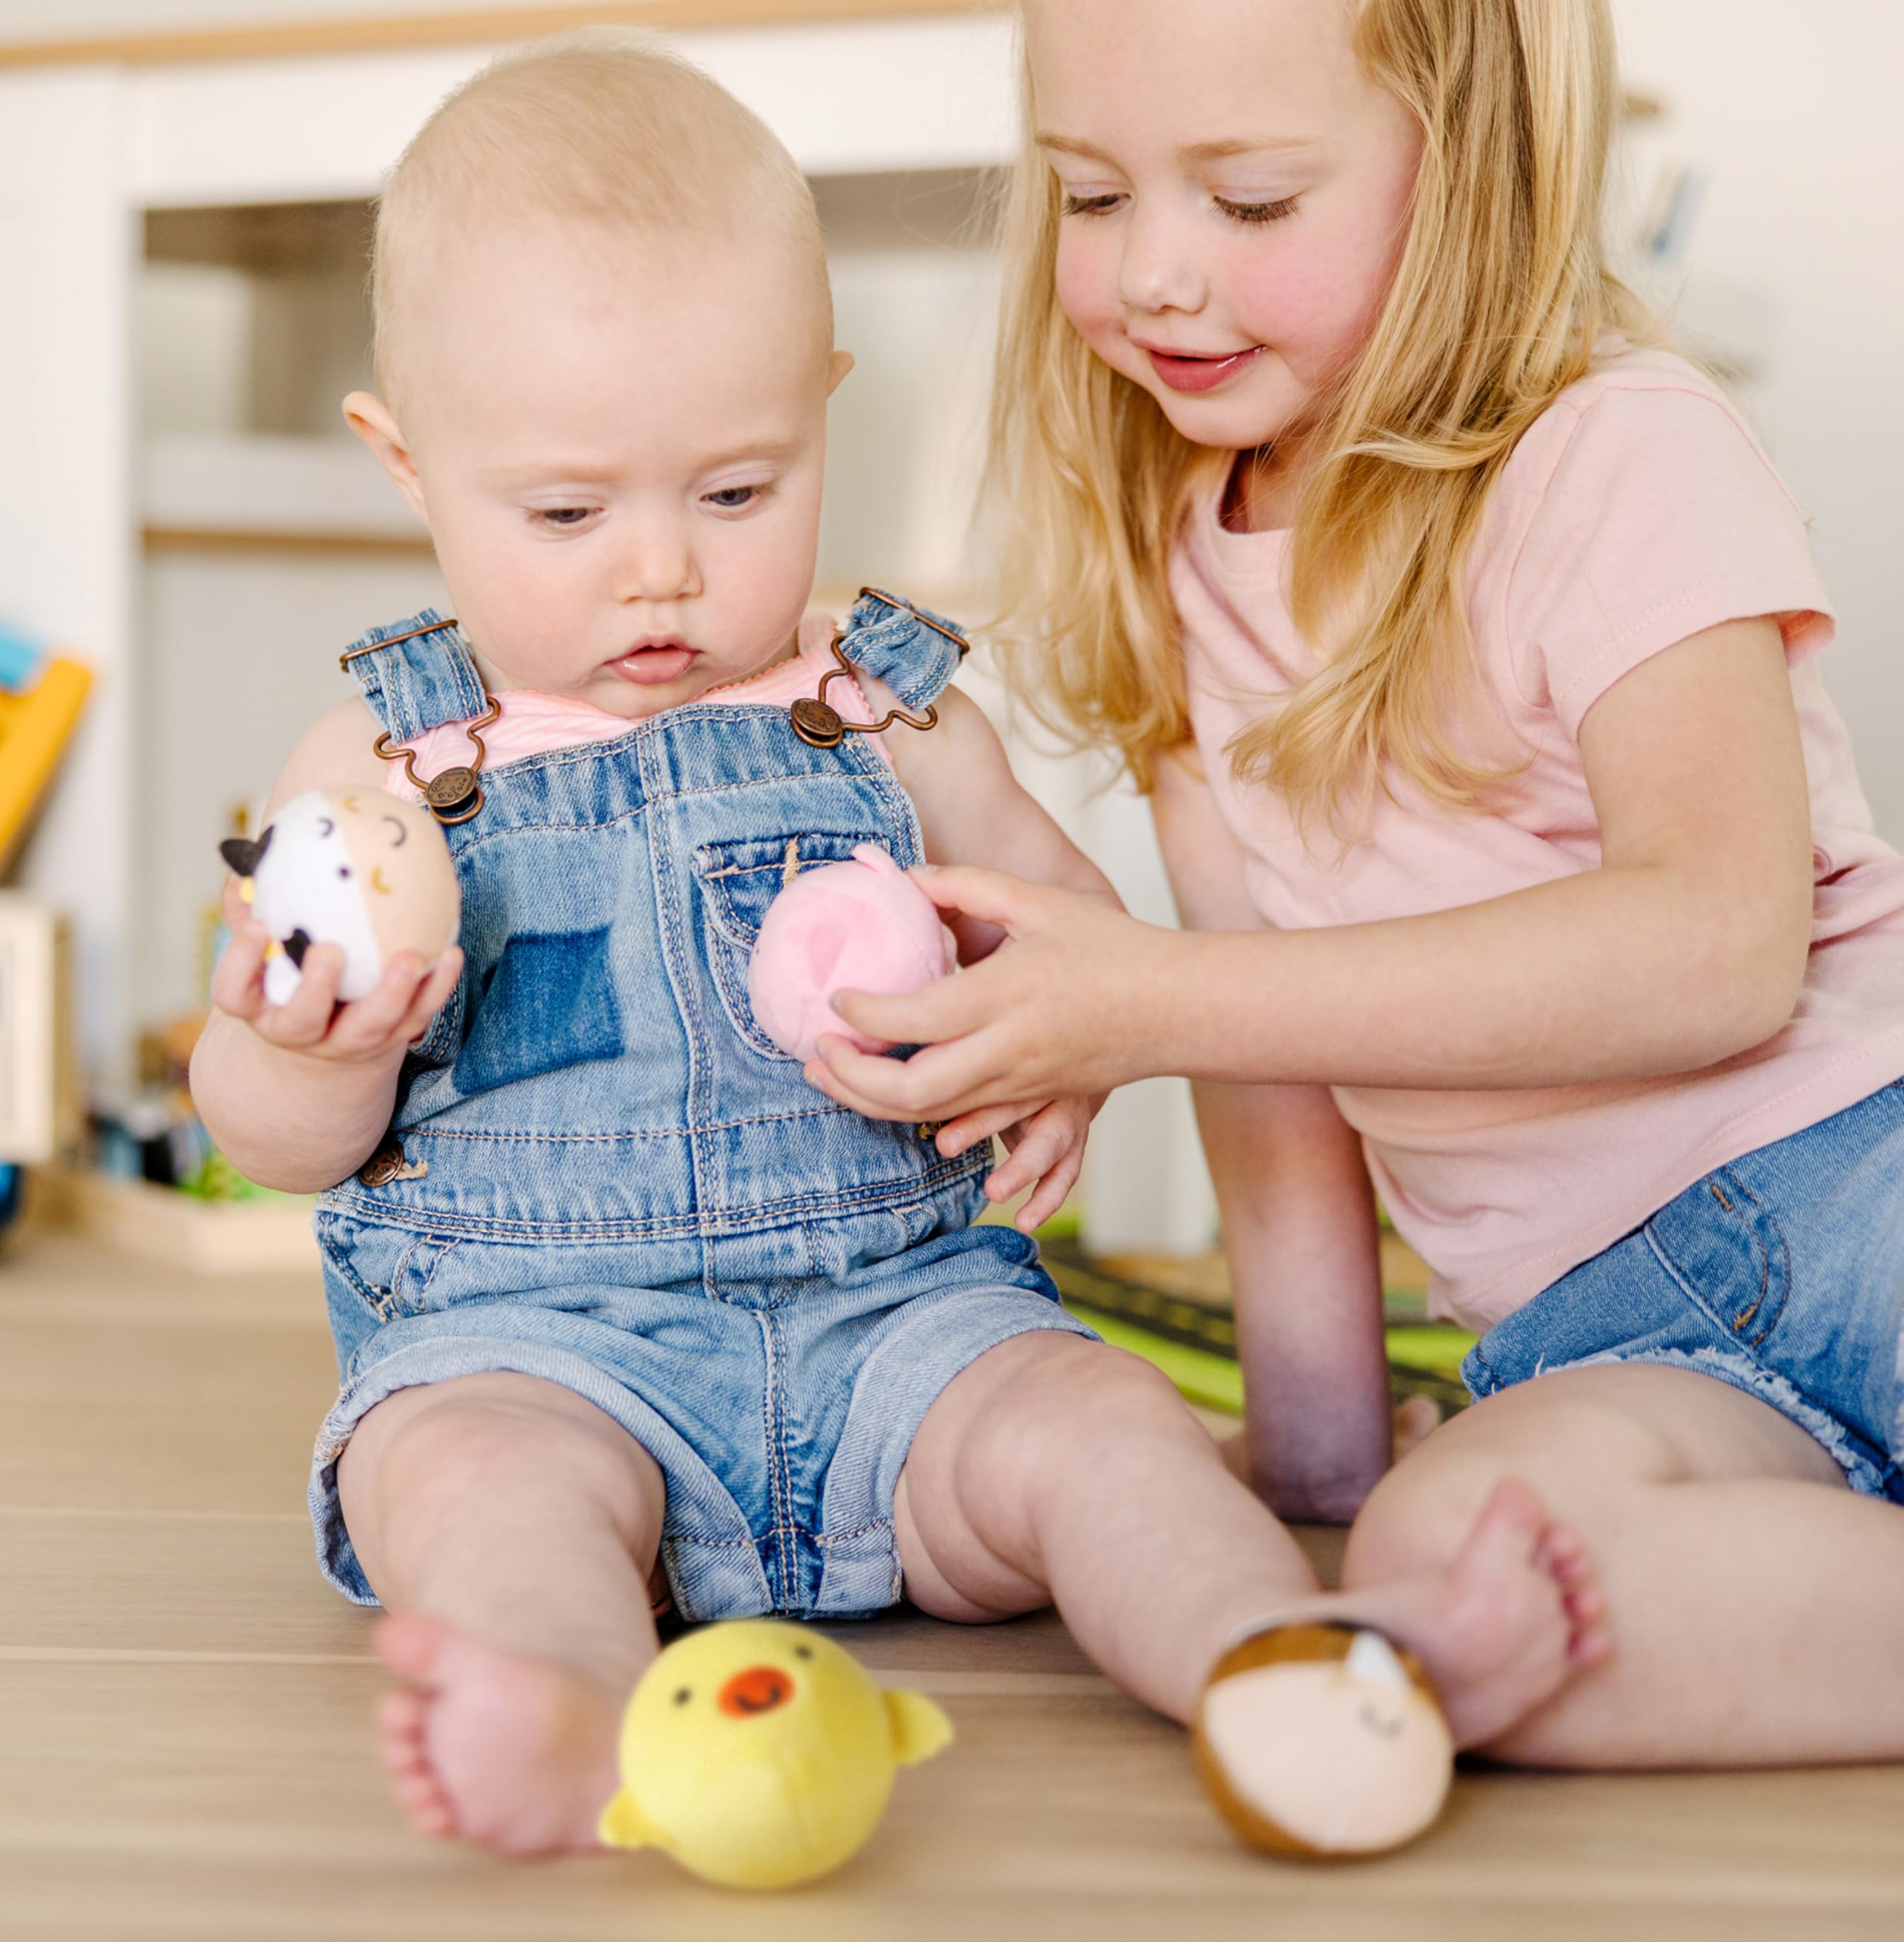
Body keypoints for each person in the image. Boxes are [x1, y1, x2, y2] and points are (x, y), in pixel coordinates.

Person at [190, 32, 1601, 1858]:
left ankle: (1276, 1660)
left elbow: (1063, 921)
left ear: (823, 407)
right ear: (406, 459)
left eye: (736, 490)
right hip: (534, 1346)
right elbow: (271, 1141)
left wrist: (1056, 1038)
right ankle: (559, 1690)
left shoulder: (879, 707)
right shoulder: (375, 770)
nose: (660, 574)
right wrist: (310, 1047)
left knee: (1095, 1424)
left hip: (902, 1327)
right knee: (463, 1477)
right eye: (562, 512)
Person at [813, 0, 1904, 1771]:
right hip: (1598, 1338)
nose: (1154, 273)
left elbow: (1716, 945)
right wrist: (1318, 1455)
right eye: (1090, 198)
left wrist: (1140, 997)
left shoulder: (1616, 447)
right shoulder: (1183, 559)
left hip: (1861, 1170)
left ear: (1467, 171)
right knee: (1440, 1568)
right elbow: (1275, 1093)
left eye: (1247, 203)